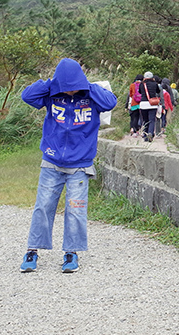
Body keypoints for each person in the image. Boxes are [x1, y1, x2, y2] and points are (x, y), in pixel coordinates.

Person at [19, 57, 117, 273]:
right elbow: (27, 96)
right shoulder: (51, 95)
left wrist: (87, 86)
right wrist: (51, 83)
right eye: (67, 87)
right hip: (51, 162)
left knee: (75, 210)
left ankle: (71, 253)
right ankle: (32, 251)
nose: (71, 92)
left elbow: (111, 102)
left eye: (74, 88)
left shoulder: (91, 96)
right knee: (43, 207)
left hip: (80, 165)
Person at [137, 70, 159, 142]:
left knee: (145, 120)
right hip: (152, 104)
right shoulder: (155, 84)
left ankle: (146, 136)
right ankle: (150, 132)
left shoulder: (142, 84)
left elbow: (139, 91)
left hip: (143, 104)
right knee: (152, 120)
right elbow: (158, 91)